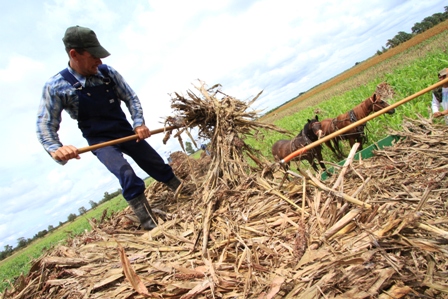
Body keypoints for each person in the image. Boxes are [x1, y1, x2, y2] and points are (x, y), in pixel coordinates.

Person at [36, 25, 182, 230]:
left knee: (155, 163)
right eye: (94, 55)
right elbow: (45, 124)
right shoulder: (56, 86)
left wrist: (138, 122)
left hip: (125, 132)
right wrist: (55, 148)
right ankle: (150, 224)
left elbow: (130, 97)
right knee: (126, 174)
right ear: (74, 54)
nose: (100, 60)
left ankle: (185, 194)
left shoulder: (107, 73)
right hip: (100, 141)